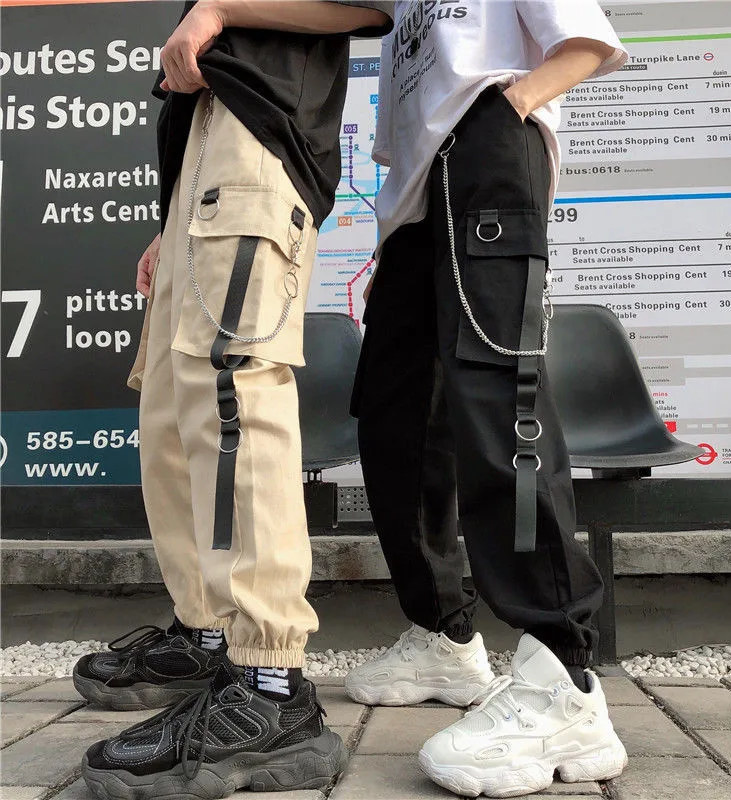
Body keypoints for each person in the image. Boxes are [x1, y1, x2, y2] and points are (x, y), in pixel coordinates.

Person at [73, 2, 392, 798]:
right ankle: (211, 636)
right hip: (206, 154)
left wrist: (214, 6)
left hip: (258, 137)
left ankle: (271, 685)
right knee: (175, 411)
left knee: (232, 401)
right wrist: (172, 215)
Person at [345, 1, 629, 795]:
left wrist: (511, 107)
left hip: (483, 149)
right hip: (408, 203)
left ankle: (563, 675)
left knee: (500, 398)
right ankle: (444, 634)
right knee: (395, 418)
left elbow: (586, 42)